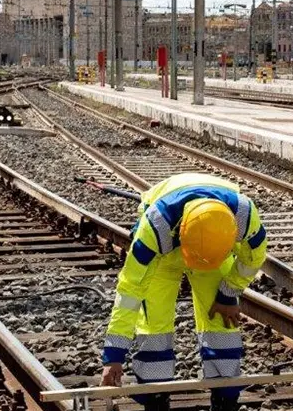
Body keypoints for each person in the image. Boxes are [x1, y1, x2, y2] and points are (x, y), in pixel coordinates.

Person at [100, 173, 268, 411]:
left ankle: (225, 396)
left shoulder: (244, 216)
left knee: (220, 320)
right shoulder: (155, 229)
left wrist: (228, 292)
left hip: (213, 248)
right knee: (154, 324)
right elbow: (130, 292)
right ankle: (155, 395)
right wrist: (114, 355)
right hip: (165, 254)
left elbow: (254, 257)